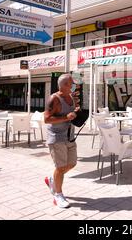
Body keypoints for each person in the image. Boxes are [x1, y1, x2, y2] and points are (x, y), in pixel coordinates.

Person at [44, 74, 80, 209]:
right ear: (65, 85)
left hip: (70, 135)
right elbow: (47, 119)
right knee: (60, 168)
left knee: (71, 163)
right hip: (57, 137)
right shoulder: (54, 99)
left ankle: (53, 180)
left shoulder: (70, 97)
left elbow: (72, 111)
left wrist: (77, 111)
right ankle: (58, 195)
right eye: (72, 83)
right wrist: (66, 117)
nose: (74, 85)